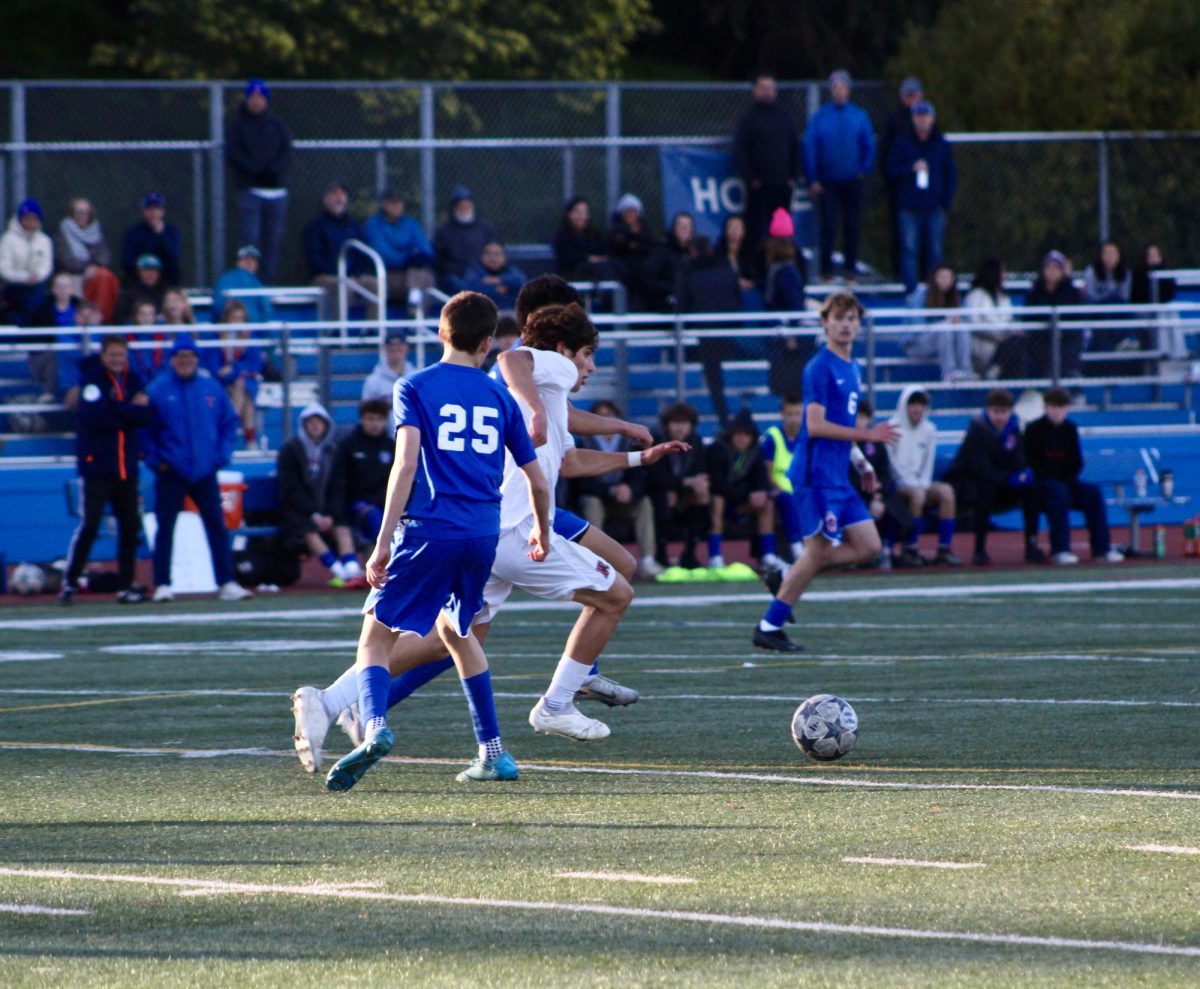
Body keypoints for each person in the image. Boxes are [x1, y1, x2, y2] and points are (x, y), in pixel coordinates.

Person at [295, 301, 688, 778]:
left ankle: (359, 712)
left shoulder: (442, 387)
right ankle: (534, 718)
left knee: (421, 638)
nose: (588, 367)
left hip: (455, 525)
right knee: (482, 631)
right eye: (587, 354)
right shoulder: (519, 382)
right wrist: (544, 527)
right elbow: (520, 382)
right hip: (494, 530)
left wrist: (632, 457)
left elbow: (560, 460)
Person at [321, 291, 552, 790]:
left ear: (440, 333)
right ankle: (493, 752)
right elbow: (538, 479)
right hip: (482, 535)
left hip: (430, 530)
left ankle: (375, 726)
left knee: (375, 637)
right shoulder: (500, 397)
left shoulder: (415, 386)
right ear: (489, 343)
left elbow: (404, 466)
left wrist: (382, 542)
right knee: (458, 633)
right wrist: (542, 530)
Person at [751, 292, 900, 652]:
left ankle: (787, 575)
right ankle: (769, 626)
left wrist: (861, 463)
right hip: (814, 476)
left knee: (869, 546)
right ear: (825, 322)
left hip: (838, 477)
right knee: (817, 553)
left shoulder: (852, 366)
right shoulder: (819, 367)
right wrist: (868, 436)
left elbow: (841, 426)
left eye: (852, 318)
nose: (846, 324)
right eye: (839, 318)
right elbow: (815, 426)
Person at [142, 332, 252, 603]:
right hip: (171, 470)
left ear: (197, 358)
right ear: (172, 359)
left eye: (190, 356)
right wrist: (158, 461)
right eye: (180, 356)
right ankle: (163, 583)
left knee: (216, 525)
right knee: (166, 526)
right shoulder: (158, 389)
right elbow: (145, 431)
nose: (185, 361)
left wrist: (220, 456)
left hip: (204, 470)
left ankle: (226, 581)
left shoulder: (210, 388)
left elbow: (229, 423)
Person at [58, 335, 153, 605]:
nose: (116, 360)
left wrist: (117, 409)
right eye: (112, 355)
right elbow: (95, 416)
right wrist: (127, 411)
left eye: (121, 355)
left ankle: (126, 585)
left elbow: (145, 415)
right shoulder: (93, 379)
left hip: (127, 467)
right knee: (89, 525)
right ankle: (69, 583)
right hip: (97, 467)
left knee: (130, 526)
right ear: (103, 355)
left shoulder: (133, 379)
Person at [943, 388, 1043, 566]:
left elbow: (1018, 459)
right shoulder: (977, 430)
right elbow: (978, 467)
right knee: (985, 490)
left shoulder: (1015, 432)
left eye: (1004, 412)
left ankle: (1031, 544)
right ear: (988, 410)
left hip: (1001, 485)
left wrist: (1022, 474)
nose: (1000, 416)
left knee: (1032, 491)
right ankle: (979, 549)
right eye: (996, 411)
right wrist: (1008, 478)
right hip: (972, 487)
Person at [1025, 388, 1124, 565]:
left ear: (1067, 408)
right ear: (1045, 407)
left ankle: (1102, 549)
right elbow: (1032, 463)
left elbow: (1076, 461)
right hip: (1041, 487)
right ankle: (1060, 549)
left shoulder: (1070, 429)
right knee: (1058, 493)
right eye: (1052, 406)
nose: (1056, 411)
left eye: (1060, 407)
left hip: (1066, 482)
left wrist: (1067, 479)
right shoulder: (1033, 430)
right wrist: (1053, 480)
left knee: (1093, 493)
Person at [276, 403, 363, 588]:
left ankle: (352, 567)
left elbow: (338, 485)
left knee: (342, 523)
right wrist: (313, 513)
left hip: (326, 508)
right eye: (311, 422)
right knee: (307, 528)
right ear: (304, 425)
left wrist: (331, 513)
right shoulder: (290, 450)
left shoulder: (332, 451)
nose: (315, 426)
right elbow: (292, 488)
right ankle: (338, 570)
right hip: (298, 509)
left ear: (326, 425)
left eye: (319, 422)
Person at [572, 399, 660, 580]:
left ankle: (648, 560)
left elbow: (640, 476)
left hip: (624, 500)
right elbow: (579, 478)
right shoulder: (584, 442)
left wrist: (629, 490)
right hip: (599, 497)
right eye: (600, 416)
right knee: (592, 502)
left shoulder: (629, 442)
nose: (605, 420)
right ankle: (594, 561)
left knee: (644, 503)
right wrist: (610, 491)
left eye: (608, 415)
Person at [803, 71, 875, 282]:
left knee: (852, 226)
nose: (839, 91)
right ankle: (826, 272)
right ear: (831, 91)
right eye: (835, 88)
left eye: (843, 87)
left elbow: (868, 145)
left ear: (848, 90)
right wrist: (812, 178)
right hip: (828, 181)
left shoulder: (859, 116)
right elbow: (810, 147)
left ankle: (849, 270)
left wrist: (864, 170)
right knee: (828, 225)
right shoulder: (821, 117)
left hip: (853, 179)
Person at [225, 78, 291, 283]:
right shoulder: (237, 125)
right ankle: (246, 283)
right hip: (250, 190)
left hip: (275, 191)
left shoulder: (277, 125)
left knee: (272, 242)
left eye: (260, 97)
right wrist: (255, 170)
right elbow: (234, 154)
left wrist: (273, 170)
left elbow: (286, 151)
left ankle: (266, 285)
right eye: (252, 96)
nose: (256, 101)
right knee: (249, 241)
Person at [887, 386, 962, 566]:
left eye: (921, 404)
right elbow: (891, 463)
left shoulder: (929, 429)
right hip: (899, 483)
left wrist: (924, 483)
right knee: (917, 495)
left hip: (920, 483)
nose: (917, 408)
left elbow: (928, 461)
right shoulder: (892, 427)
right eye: (913, 403)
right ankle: (910, 548)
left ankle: (944, 548)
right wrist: (909, 482)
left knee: (946, 492)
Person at [887, 100, 957, 293]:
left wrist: (945, 203)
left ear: (932, 118)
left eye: (926, 117)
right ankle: (911, 293)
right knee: (909, 251)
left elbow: (950, 175)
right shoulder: (902, 143)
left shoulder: (941, 144)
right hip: (909, 207)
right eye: (918, 117)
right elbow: (891, 170)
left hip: (934, 207)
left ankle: (934, 294)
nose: (922, 121)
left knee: (935, 252)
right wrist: (911, 169)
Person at [707, 409, 785, 574]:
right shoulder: (717, 449)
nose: (742, 438)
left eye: (746, 434)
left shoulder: (755, 452)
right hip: (721, 501)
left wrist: (761, 493)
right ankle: (715, 556)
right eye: (738, 434)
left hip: (741, 502)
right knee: (718, 500)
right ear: (731, 434)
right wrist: (746, 494)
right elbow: (716, 484)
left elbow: (761, 479)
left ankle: (768, 556)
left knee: (767, 503)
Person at [646, 402, 719, 569]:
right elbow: (655, 478)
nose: (680, 428)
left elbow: (699, 472)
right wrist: (684, 482)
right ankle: (661, 553)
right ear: (667, 424)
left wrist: (695, 483)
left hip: (685, 492)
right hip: (658, 492)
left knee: (703, 492)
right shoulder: (657, 441)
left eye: (684, 423)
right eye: (675, 423)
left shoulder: (697, 441)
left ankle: (690, 553)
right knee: (668, 495)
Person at [678, 235, 741, 426]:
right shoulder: (726, 269)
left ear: (693, 252)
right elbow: (737, 298)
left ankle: (725, 423)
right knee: (716, 377)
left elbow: (681, 304)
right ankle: (727, 421)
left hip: (706, 334)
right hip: (726, 332)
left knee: (714, 379)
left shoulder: (690, 273)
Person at [734, 74, 800, 249]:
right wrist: (750, 178)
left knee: (781, 229)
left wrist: (794, 176)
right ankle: (756, 269)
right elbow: (741, 150)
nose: (768, 92)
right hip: (759, 185)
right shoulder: (748, 118)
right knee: (756, 228)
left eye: (771, 88)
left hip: (782, 184)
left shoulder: (784, 116)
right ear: (755, 91)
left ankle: (781, 262)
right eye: (763, 88)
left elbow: (795, 146)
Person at [849, 398, 910, 570]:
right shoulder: (844, 442)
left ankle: (888, 548)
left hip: (875, 492)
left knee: (891, 507)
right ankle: (854, 554)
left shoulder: (876, 444)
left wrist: (878, 493)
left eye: (863, 417)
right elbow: (846, 474)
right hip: (855, 493)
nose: (859, 422)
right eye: (856, 417)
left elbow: (885, 472)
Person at [303, 181, 378, 318]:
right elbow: (315, 258)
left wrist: (355, 274)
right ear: (325, 199)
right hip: (325, 276)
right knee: (344, 286)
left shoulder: (353, 225)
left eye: (342, 194)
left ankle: (374, 330)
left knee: (375, 284)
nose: (339, 198)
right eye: (334, 194)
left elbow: (362, 255)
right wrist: (340, 275)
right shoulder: (316, 226)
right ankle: (337, 331)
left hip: (352, 276)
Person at [327, 398, 394, 548]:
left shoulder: (392, 447)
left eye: (379, 419)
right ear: (362, 419)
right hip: (356, 502)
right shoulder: (348, 446)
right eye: (370, 419)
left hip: (384, 501)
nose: (375, 424)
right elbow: (339, 480)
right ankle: (385, 561)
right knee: (374, 516)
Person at [762, 209, 813, 397]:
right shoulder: (778, 271)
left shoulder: (787, 273)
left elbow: (795, 306)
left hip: (787, 338)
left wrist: (793, 334)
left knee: (790, 387)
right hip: (780, 336)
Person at [879, 77, 924, 278]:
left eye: (914, 94)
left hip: (924, 192)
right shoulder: (894, 121)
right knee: (902, 237)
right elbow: (886, 158)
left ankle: (925, 274)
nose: (911, 99)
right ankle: (900, 274)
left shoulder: (928, 121)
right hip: (901, 190)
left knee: (926, 237)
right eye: (908, 95)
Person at [362, 189, 437, 308]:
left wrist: (418, 258)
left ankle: (415, 308)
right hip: (386, 276)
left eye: (399, 202)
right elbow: (382, 252)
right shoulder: (374, 224)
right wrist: (406, 259)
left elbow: (425, 249)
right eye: (392, 202)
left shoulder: (410, 223)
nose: (396, 206)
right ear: (384, 205)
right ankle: (416, 314)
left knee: (423, 275)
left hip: (410, 276)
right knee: (421, 277)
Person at [205, 299, 263, 448]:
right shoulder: (216, 337)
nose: (238, 323)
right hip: (221, 382)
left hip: (244, 381)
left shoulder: (251, 337)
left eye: (241, 319)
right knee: (242, 391)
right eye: (234, 318)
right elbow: (214, 367)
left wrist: (234, 369)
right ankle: (250, 440)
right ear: (227, 319)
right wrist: (233, 373)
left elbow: (254, 364)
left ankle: (231, 430)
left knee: (243, 388)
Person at [53, 197, 120, 322]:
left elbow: (105, 256)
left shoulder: (96, 231)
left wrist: (94, 267)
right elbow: (64, 259)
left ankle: (100, 320)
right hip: (74, 275)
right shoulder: (63, 231)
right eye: (78, 212)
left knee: (105, 276)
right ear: (72, 214)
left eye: (85, 212)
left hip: (94, 275)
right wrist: (86, 268)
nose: (82, 216)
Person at [902, 264, 973, 381]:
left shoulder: (954, 296)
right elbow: (917, 328)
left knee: (962, 327)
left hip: (943, 340)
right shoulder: (920, 295)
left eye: (948, 277)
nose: (945, 281)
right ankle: (949, 373)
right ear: (934, 278)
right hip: (916, 344)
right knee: (944, 328)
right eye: (942, 277)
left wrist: (954, 322)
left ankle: (965, 370)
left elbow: (965, 319)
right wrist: (945, 322)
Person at [760, 393, 807, 563]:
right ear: (782, 414)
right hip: (779, 489)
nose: (794, 418)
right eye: (790, 414)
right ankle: (796, 547)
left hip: (802, 488)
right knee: (788, 499)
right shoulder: (773, 437)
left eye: (797, 413)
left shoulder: (808, 437)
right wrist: (776, 487)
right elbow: (767, 472)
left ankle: (833, 545)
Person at [1025, 250, 1084, 380]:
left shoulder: (1071, 292)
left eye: (1056, 268)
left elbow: (1076, 318)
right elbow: (1030, 318)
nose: (1052, 271)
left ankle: (1071, 387)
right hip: (1042, 339)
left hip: (1066, 339)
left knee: (1069, 347)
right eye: (1048, 267)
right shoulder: (1035, 292)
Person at [22, 271, 79, 397]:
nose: (63, 290)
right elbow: (28, 335)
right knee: (57, 355)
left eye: (66, 286)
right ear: (53, 289)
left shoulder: (81, 307)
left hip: (75, 352)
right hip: (46, 354)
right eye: (59, 286)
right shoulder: (41, 309)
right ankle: (50, 393)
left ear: (72, 289)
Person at [432, 185, 497, 293]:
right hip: (457, 276)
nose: (465, 207)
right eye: (461, 205)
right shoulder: (444, 231)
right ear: (454, 207)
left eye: (467, 204)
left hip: (483, 274)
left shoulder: (485, 228)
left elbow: (494, 253)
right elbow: (439, 262)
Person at [1082, 240, 1135, 373]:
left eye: (1113, 254)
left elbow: (1124, 298)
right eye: (1106, 253)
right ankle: (1121, 341)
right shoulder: (1092, 272)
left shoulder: (1125, 274)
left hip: (1117, 312)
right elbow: (1091, 297)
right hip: (1097, 312)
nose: (1110, 257)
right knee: (1110, 303)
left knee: (1124, 309)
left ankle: (1127, 341)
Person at [1, 198, 53, 323]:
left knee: (39, 301)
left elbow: (46, 265)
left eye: (34, 219)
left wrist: (37, 276)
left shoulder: (44, 240)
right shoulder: (8, 240)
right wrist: (24, 278)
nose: (31, 222)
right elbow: (4, 268)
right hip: (14, 286)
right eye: (27, 218)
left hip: (36, 285)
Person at [1131, 244, 1187, 360]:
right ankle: (1163, 352)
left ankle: (1179, 352)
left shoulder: (1166, 273)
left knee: (1170, 311)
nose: (1153, 258)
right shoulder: (1138, 273)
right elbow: (1138, 296)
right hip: (1145, 310)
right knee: (1161, 313)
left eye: (1155, 255)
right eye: (1150, 255)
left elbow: (1168, 295)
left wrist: (1158, 270)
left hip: (1163, 309)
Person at [963, 257, 1015, 378]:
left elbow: (1010, 320)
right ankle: (991, 373)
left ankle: (1012, 382)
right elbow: (974, 324)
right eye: (1003, 272)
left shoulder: (1003, 296)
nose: (1005, 275)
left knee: (1017, 343)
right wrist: (997, 336)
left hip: (1005, 343)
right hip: (982, 344)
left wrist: (1010, 332)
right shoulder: (976, 295)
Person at [607, 192, 657, 310]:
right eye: (627, 211)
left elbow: (650, 246)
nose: (630, 215)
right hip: (624, 274)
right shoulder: (616, 232)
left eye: (633, 211)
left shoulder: (646, 231)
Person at [121, 193, 182, 288]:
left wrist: (161, 235)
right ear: (144, 211)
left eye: (157, 209)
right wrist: (146, 268)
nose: (153, 213)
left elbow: (173, 257)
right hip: (140, 276)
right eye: (149, 209)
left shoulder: (171, 232)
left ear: (162, 211)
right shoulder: (133, 232)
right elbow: (128, 260)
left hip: (164, 277)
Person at [642, 211, 696, 313]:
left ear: (692, 230)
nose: (684, 229)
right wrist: (672, 288)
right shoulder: (662, 251)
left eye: (687, 226)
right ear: (674, 228)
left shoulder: (695, 252)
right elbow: (649, 280)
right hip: (665, 306)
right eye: (681, 225)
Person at [552, 196, 614, 282]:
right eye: (577, 212)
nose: (581, 216)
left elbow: (604, 251)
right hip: (572, 274)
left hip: (598, 272)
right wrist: (588, 258)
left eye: (584, 212)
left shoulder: (595, 234)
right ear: (569, 214)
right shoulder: (562, 236)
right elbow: (567, 258)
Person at [212, 245, 274, 325]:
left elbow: (266, 309)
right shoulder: (224, 280)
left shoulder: (256, 282)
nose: (250, 263)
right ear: (238, 262)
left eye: (253, 260)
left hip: (252, 331)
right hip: (227, 330)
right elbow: (218, 307)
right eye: (245, 259)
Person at [463, 241, 527, 308]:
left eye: (497, 254)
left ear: (504, 256)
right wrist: (495, 290)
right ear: (481, 256)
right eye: (488, 253)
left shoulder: (511, 270)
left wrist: (499, 280)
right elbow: (470, 288)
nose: (492, 258)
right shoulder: (475, 271)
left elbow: (521, 282)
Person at [361, 330, 416, 403]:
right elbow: (367, 412)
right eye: (391, 347)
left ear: (407, 348)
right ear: (385, 348)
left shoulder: (415, 377)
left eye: (399, 347)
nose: (395, 349)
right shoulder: (373, 382)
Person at [114, 253, 169, 326]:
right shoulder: (128, 294)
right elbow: (120, 318)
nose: (150, 274)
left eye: (154, 270)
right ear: (139, 272)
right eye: (146, 270)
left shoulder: (165, 292)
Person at [715, 213, 761, 295]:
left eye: (738, 227)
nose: (734, 230)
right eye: (731, 226)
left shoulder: (751, 253)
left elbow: (757, 276)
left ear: (743, 231)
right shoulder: (717, 253)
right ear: (725, 230)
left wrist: (750, 283)